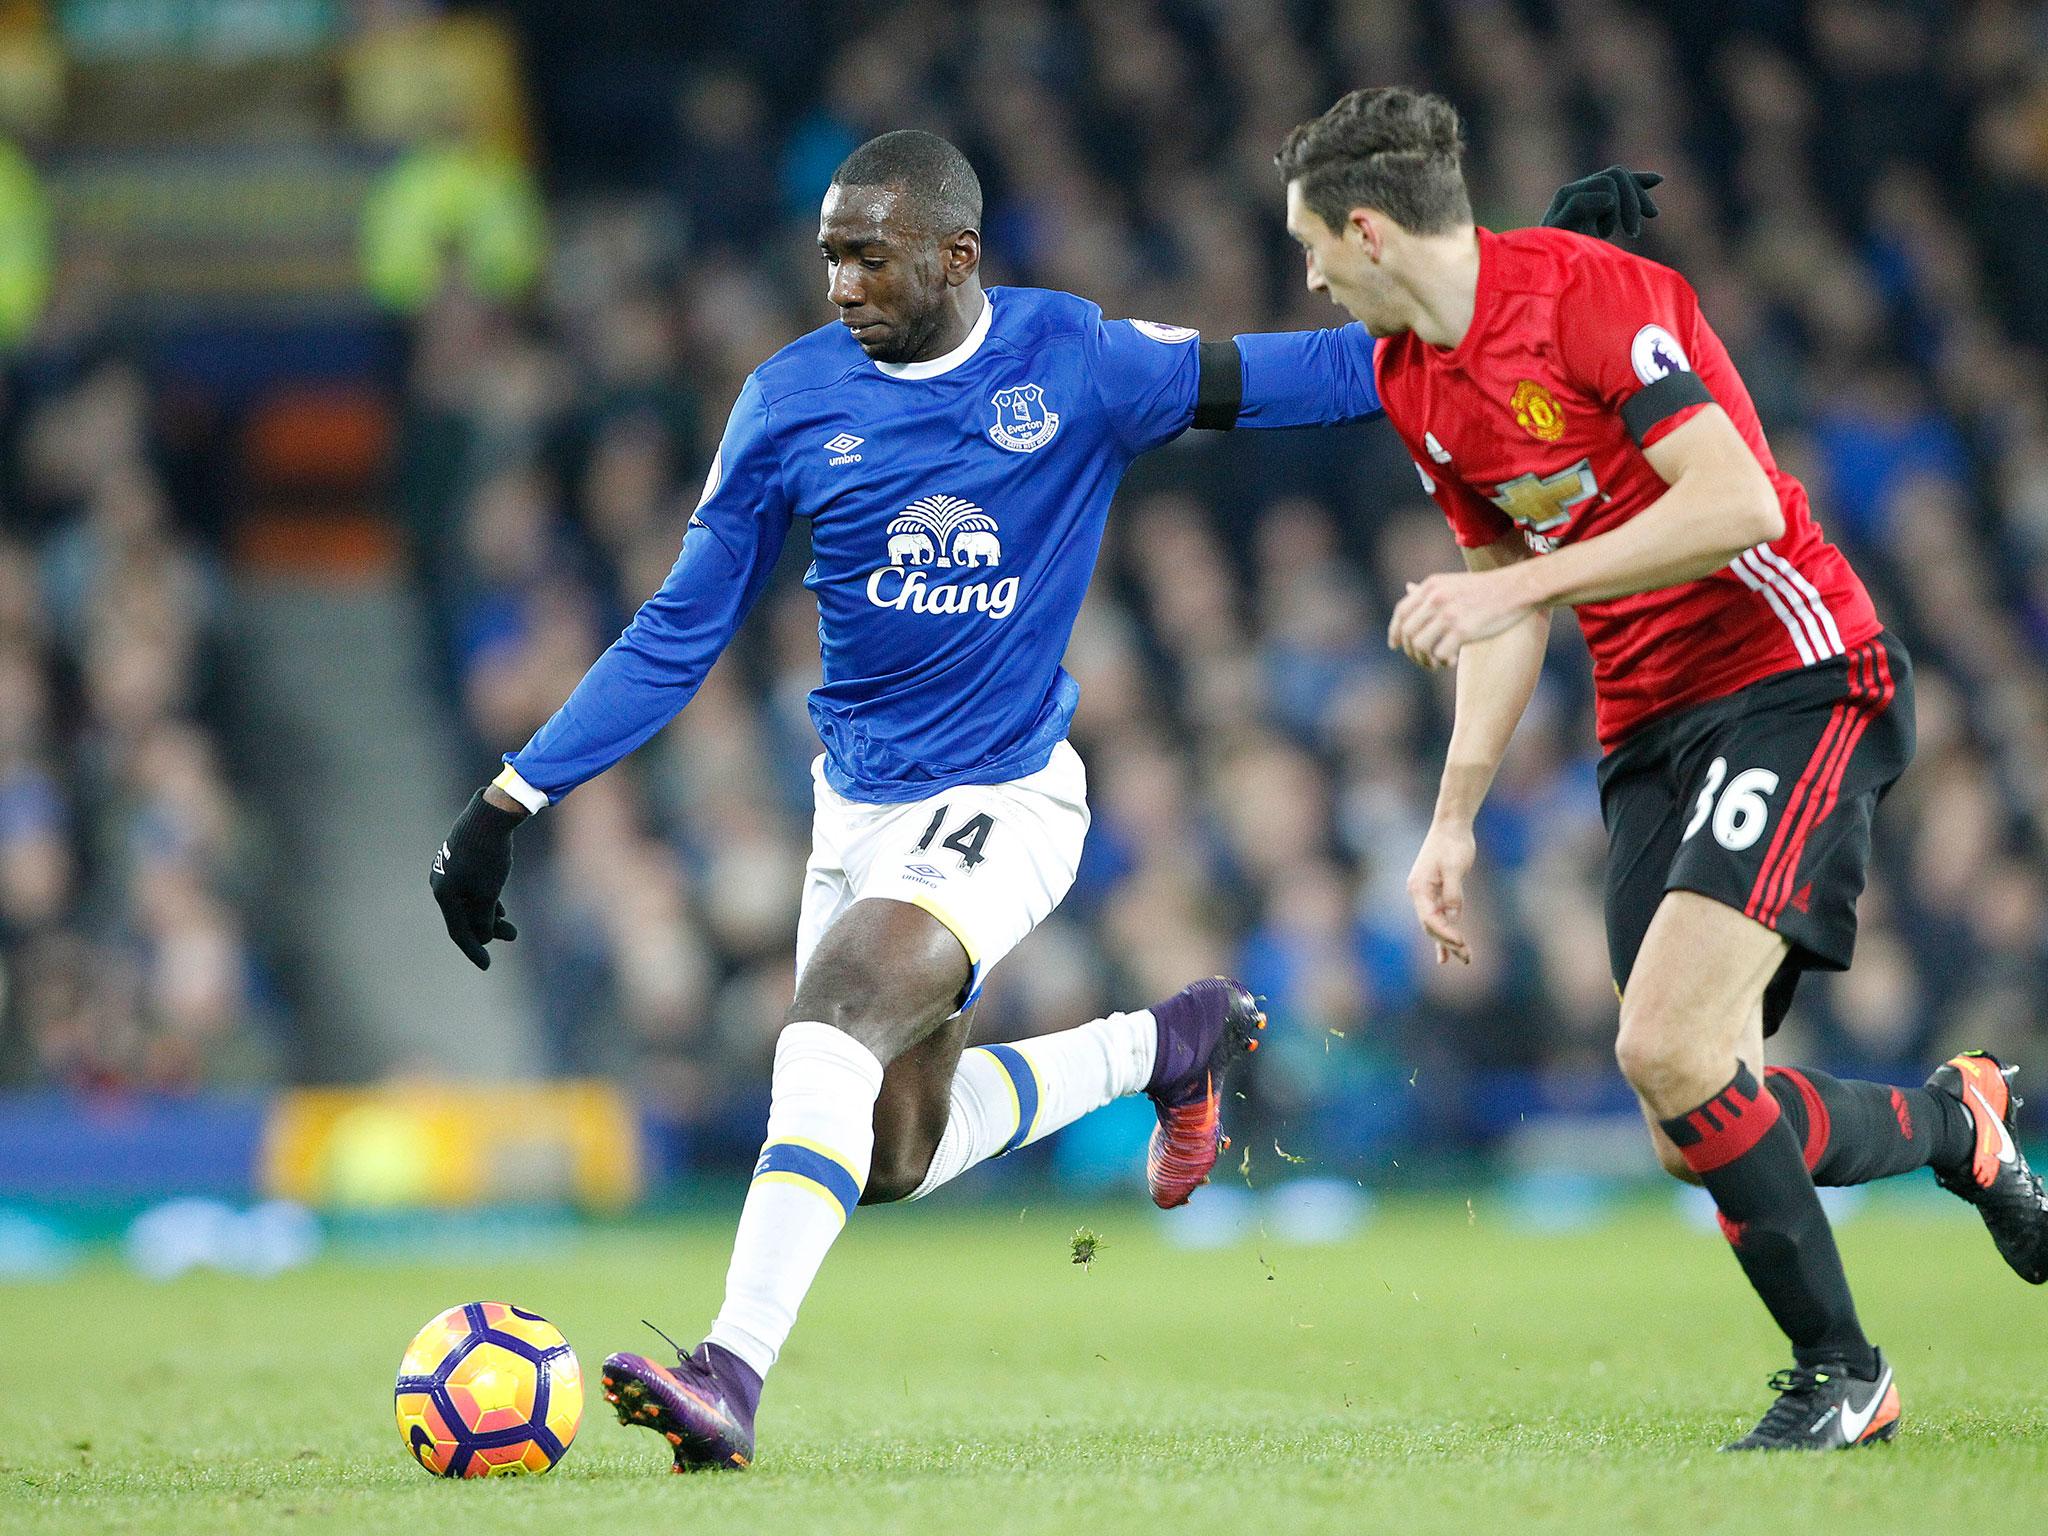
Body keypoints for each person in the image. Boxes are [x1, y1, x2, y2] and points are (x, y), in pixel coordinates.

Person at [429, 128, 1649, 1471]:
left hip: (1005, 795)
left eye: (868, 256)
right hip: (857, 807)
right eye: (829, 256)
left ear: (957, 255)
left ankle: (728, 1372)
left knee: (831, 1019)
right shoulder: (787, 403)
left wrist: (1527, 288)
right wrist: (509, 800)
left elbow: (1317, 373)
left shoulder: (1073, 359)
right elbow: (677, 630)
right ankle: (1161, 1048)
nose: (840, 284)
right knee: (890, 1154)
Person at [1274, 86, 2048, 1451]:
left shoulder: (1593, 295)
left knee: (1666, 1045)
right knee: (1693, 1114)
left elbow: (1738, 499)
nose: (1308, 274)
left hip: (1797, 674)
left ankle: (1846, 1375)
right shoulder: (1413, 378)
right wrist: (1451, 820)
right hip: (1647, 728)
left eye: (1312, 245)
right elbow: (1500, 597)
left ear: (1369, 228)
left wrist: (1516, 593)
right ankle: (1956, 1122)